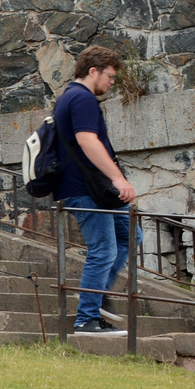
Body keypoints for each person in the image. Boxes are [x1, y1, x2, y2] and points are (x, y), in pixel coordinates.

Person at [55, 45, 136, 333]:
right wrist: (119, 179)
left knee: (131, 235)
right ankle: (87, 318)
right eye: (110, 77)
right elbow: (88, 141)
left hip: (91, 188)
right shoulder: (82, 98)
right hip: (87, 187)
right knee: (103, 249)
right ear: (93, 71)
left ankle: (97, 297)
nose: (112, 83)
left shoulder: (68, 97)